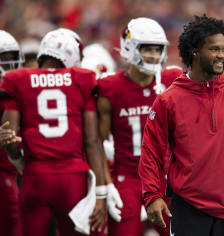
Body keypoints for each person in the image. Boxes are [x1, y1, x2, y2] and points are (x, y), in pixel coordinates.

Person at [139, 14, 224, 236]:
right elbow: (151, 153)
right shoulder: (169, 100)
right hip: (188, 208)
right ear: (195, 50)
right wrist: (152, 195)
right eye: (214, 49)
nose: (222, 55)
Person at [0, 28, 107, 236]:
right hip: (73, 178)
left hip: (36, 177)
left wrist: (20, 162)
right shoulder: (82, 78)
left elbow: (10, 137)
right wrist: (101, 193)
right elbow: (92, 142)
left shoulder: (18, 79)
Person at [96, 17, 183, 236]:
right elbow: (97, 141)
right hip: (128, 177)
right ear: (130, 48)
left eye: (157, 49)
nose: (154, 55)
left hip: (166, 176)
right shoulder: (110, 87)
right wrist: (105, 185)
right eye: (147, 49)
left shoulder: (173, 79)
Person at [0, 29, 24, 236]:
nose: (9, 64)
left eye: (11, 59)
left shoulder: (16, 90)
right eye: (3, 59)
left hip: (13, 171)